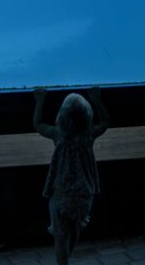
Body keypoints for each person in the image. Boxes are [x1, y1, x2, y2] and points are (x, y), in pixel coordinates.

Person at [33, 87, 110, 265]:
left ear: (62, 117)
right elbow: (105, 121)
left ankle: (63, 262)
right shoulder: (88, 135)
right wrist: (97, 100)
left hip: (60, 195)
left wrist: (40, 101)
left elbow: (38, 125)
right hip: (83, 195)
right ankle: (67, 255)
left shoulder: (58, 134)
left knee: (60, 236)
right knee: (75, 229)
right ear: (88, 118)